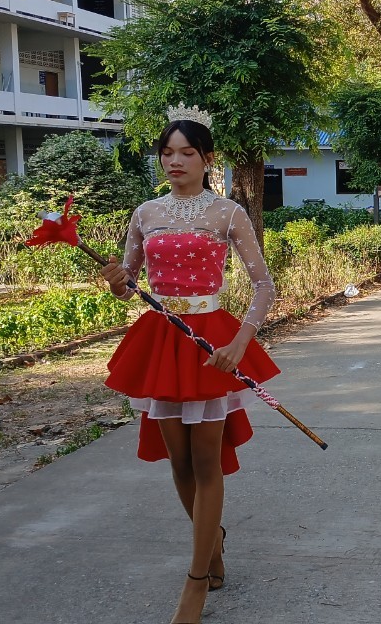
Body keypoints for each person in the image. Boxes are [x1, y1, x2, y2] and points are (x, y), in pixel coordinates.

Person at [100, 105, 279, 624]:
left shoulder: (228, 213)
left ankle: (195, 581)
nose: (174, 161)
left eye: (186, 152)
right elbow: (129, 285)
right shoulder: (144, 213)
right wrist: (116, 281)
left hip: (211, 341)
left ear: (207, 159)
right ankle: (212, 541)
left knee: (206, 461)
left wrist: (241, 342)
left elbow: (264, 287)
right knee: (178, 463)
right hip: (163, 339)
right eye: (167, 153)